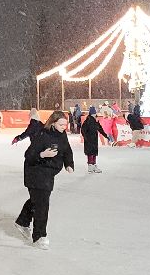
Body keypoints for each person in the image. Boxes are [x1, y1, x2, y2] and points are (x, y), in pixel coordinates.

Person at [14, 110, 74, 249]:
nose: (64, 127)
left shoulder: (62, 135)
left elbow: (67, 150)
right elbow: (28, 155)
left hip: (48, 173)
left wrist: (69, 164)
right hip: (35, 171)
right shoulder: (42, 135)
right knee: (42, 205)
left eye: (65, 124)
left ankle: (22, 222)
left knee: (37, 200)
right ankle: (39, 236)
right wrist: (42, 154)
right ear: (53, 123)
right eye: (61, 124)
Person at [79, 106, 112, 173]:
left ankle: (93, 165)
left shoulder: (95, 121)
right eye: (94, 114)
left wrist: (106, 136)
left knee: (94, 153)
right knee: (90, 153)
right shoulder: (88, 121)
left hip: (94, 139)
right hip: (89, 140)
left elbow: (100, 129)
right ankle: (90, 166)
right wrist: (86, 137)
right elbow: (83, 130)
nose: (95, 115)